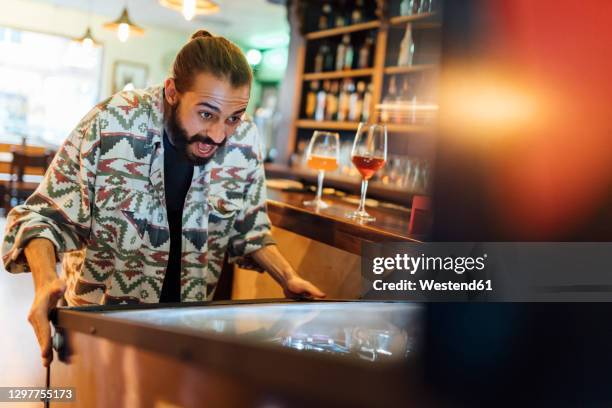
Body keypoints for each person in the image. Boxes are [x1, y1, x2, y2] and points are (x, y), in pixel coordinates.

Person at [1, 30, 325, 367]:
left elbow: (249, 229)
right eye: (206, 114)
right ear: (172, 91)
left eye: (233, 117)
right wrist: (44, 283)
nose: (218, 135)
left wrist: (287, 277)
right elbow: (41, 218)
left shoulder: (244, 142)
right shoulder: (111, 122)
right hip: (98, 330)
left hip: (188, 332)